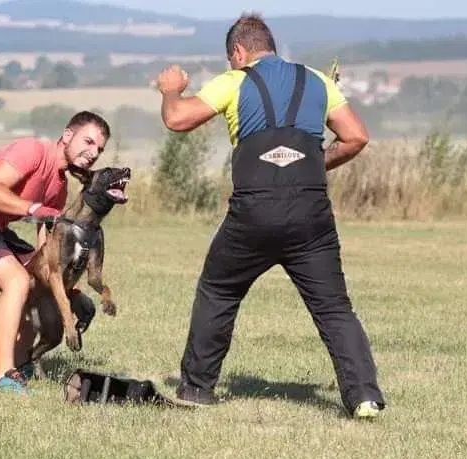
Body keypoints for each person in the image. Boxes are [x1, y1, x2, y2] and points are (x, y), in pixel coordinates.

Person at [155, 13, 386, 418]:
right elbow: (356, 137)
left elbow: (177, 120)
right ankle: (364, 396)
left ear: (239, 52)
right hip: (311, 212)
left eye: (231, 59)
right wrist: (312, 161)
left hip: (253, 211)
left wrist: (171, 90)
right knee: (334, 307)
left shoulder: (236, 80)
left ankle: (196, 388)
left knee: (219, 292)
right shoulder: (319, 81)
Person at [0, 110, 111, 396]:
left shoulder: (59, 187)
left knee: (34, 281)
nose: (93, 153)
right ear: (67, 135)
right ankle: (2, 375)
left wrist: (68, 291)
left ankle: (21, 361)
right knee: (17, 280)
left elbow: (46, 254)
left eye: (99, 149)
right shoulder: (32, 150)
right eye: (88, 142)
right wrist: (33, 208)